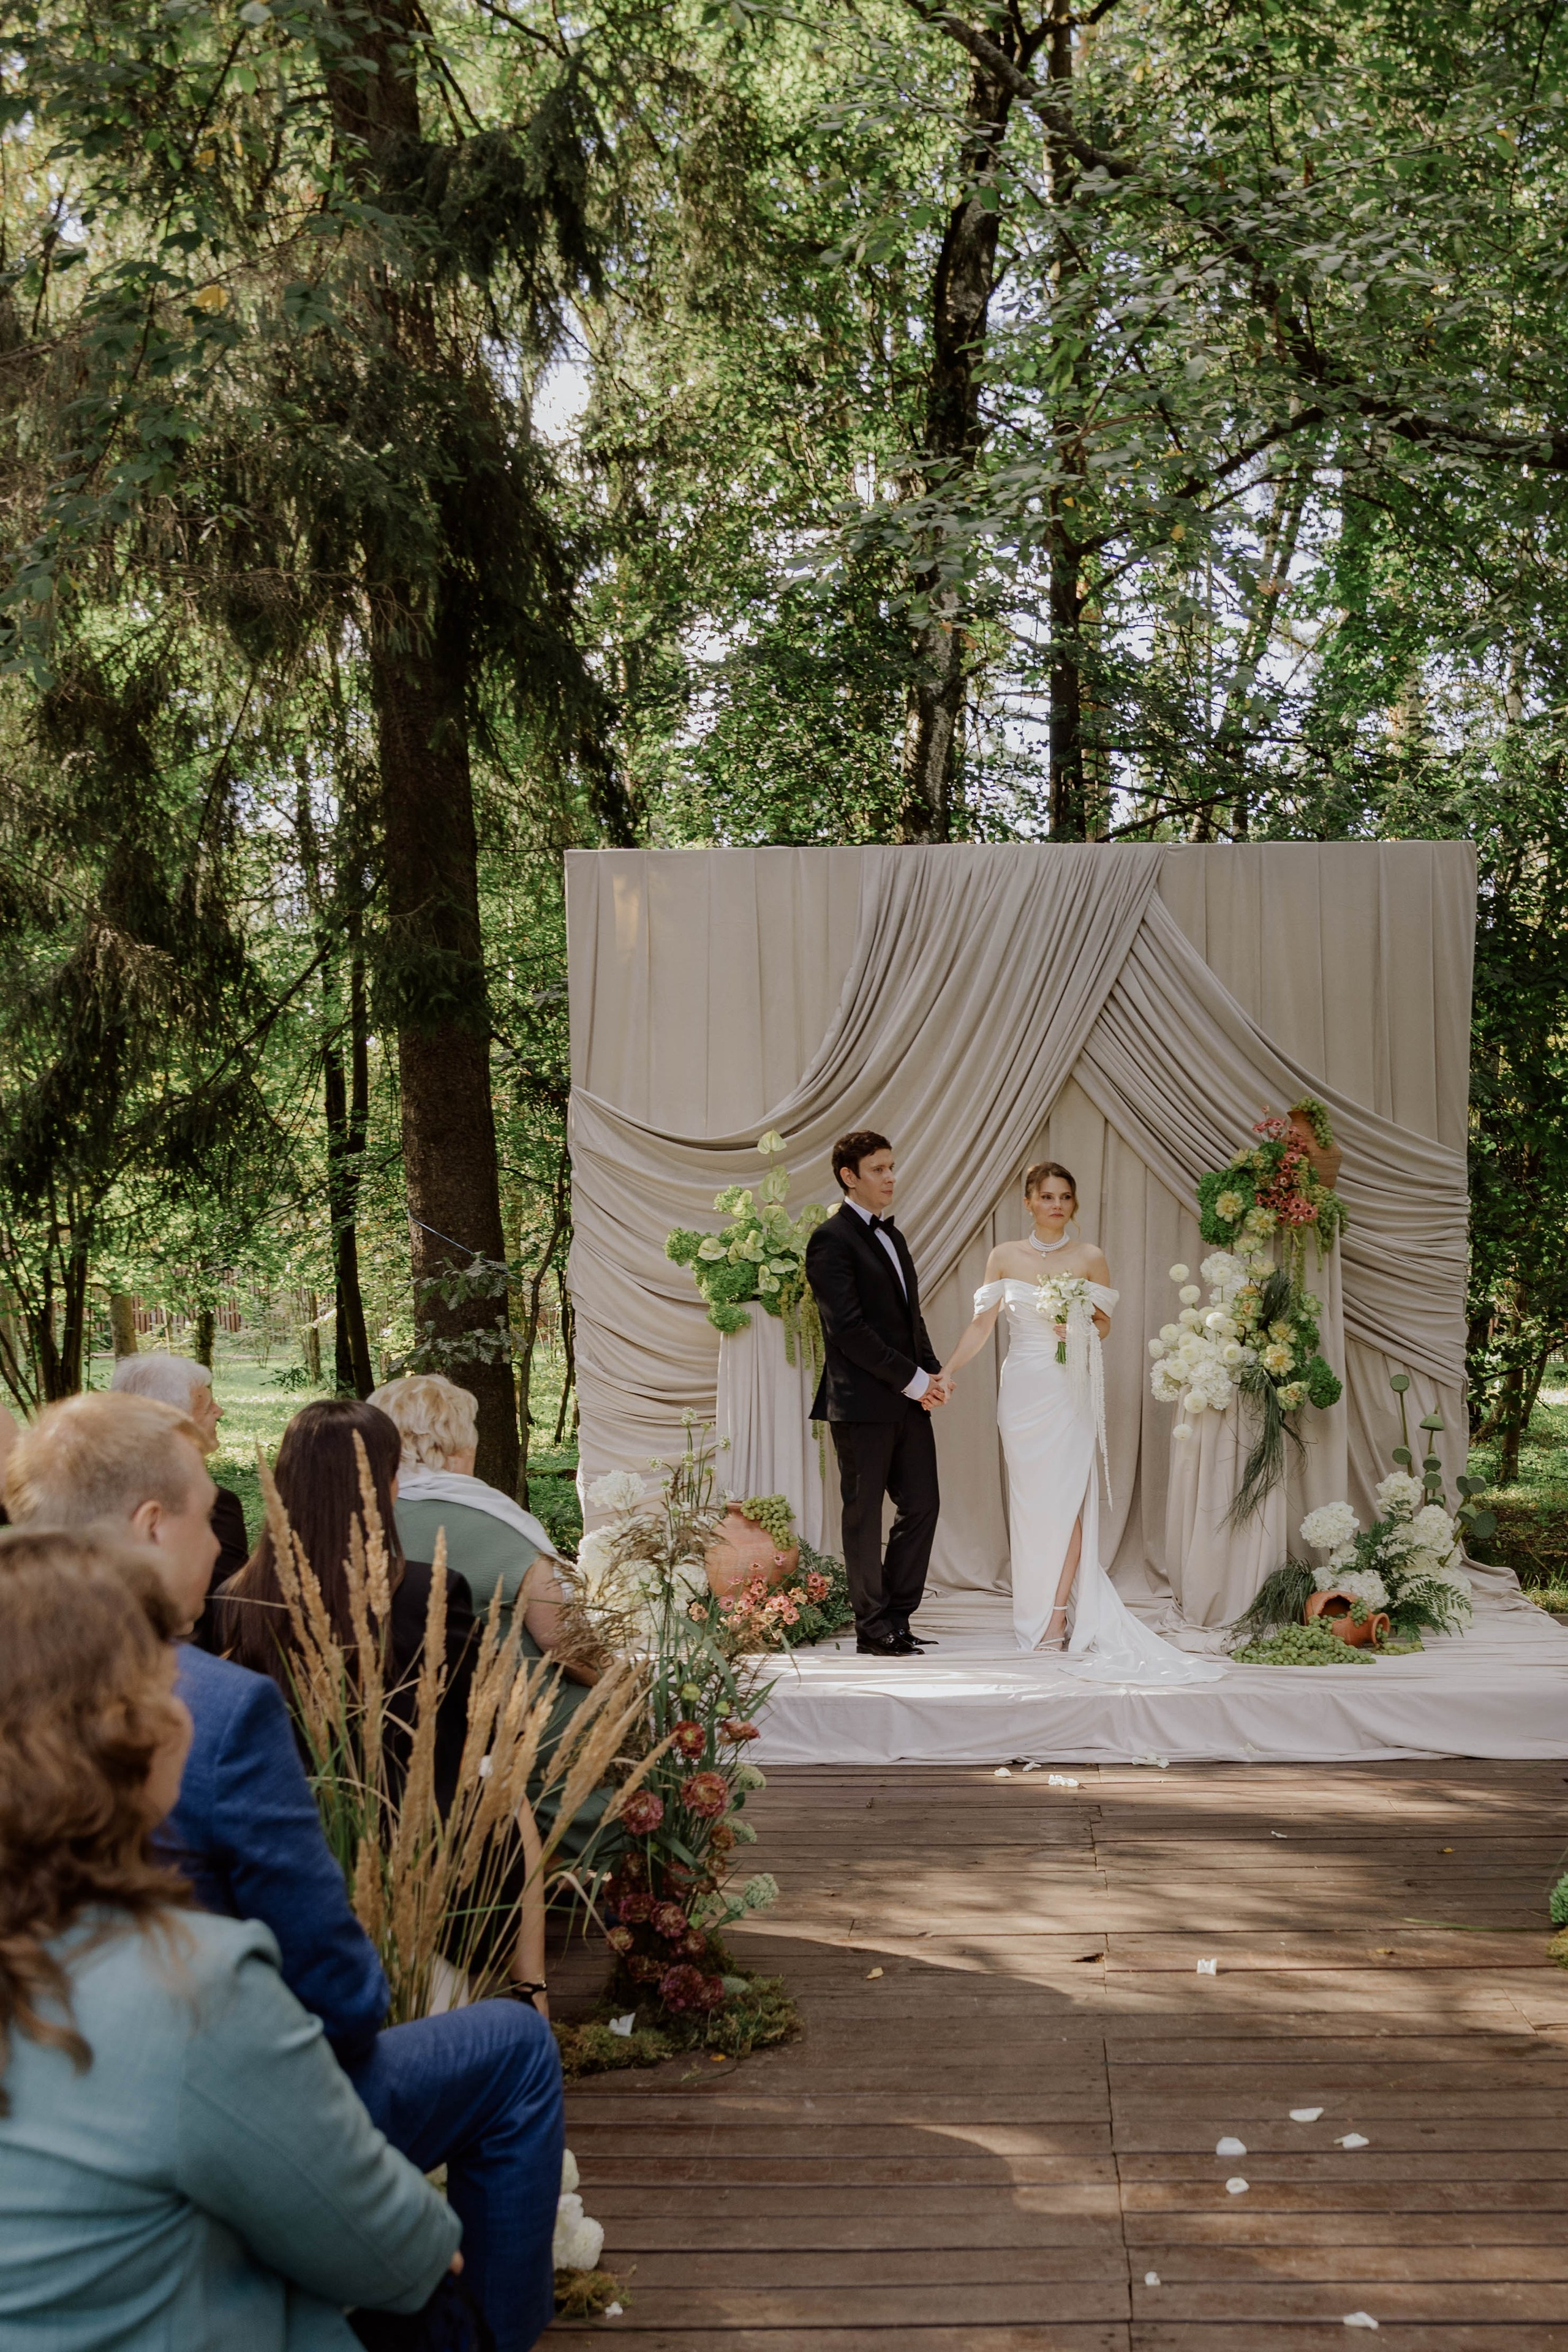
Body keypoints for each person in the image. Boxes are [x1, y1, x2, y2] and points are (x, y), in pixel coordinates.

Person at [4, 1394, 566, 2352]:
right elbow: (339, 2003)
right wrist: (425, 2238)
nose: (220, 1547)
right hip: (254, 2081)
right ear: (129, 1740)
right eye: (202, 1515)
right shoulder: (219, 1726)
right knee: (513, 2050)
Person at [0, 1525, 461, 2350]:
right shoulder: (190, 1986)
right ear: (118, 1734)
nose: (186, 1703)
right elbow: (391, 2255)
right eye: (161, 1675)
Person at [940, 1161, 1221, 1681]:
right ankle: (1036, 1606)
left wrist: (1080, 1331)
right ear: (1028, 1202)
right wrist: (946, 1371)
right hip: (1022, 1389)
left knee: (1067, 1499)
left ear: (1074, 1203)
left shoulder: (1090, 1258)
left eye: (1065, 1197)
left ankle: (1058, 1617)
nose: (1056, 1205)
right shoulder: (1004, 1256)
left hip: (1068, 1390)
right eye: (1046, 1196)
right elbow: (982, 1325)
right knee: (1030, 1503)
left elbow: (1105, 1324)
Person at [373, 1373, 611, 1865]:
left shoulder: (363, 1515)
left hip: (391, 1715)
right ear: (452, 1442)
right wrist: (620, 1679)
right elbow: (568, 1646)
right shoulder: (490, 1523)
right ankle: (587, 1869)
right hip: (506, 1717)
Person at [214, 1398, 479, 1817]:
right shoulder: (430, 1592)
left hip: (282, 1831)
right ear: (387, 1482)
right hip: (418, 1838)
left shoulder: (236, 1596)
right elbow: (476, 1726)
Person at [804, 1129, 950, 1657]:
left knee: (923, 1505)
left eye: (892, 1167)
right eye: (879, 1169)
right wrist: (914, 1380)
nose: (891, 1177)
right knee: (864, 1517)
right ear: (850, 1176)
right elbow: (847, 1330)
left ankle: (898, 1615)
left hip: (907, 1399)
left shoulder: (896, 1236)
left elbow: (910, 1320)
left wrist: (932, 1374)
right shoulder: (829, 1239)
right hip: (860, 1403)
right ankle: (872, 1628)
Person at [110, 1349, 249, 1602]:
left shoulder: (92, 1489)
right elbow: (225, 1605)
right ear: (175, 1425)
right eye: (208, 1407)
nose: (219, 1412)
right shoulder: (213, 1505)